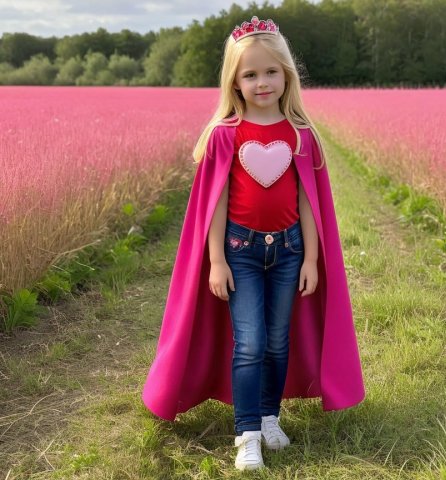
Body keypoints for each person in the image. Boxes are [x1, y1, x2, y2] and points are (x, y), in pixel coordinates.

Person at [141, 14, 365, 471]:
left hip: (289, 254)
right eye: (250, 74)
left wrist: (312, 260)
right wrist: (217, 260)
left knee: (278, 342)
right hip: (240, 254)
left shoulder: (302, 136)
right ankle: (246, 434)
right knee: (249, 342)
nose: (262, 82)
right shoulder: (225, 135)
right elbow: (215, 206)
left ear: (286, 75)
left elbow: (310, 203)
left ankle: (268, 417)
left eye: (270, 71)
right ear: (235, 81)